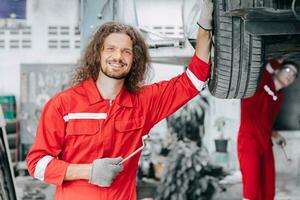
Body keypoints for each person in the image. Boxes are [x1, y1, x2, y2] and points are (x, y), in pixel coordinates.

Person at [26, 1, 213, 199]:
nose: (118, 56)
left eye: (127, 51)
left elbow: (194, 79)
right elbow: (36, 164)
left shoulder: (144, 103)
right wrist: (88, 171)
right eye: (111, 49)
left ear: (134, 60)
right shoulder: (63, 105)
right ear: (98, 54)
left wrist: (204, 27)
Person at [238, 57, 299, 200]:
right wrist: (282, 56)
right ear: (278, 70)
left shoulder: (280, 97)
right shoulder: (262, 82)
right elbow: (267, 68)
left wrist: (275, 134)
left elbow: (266, 122)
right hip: (249, 142)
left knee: (268, 192)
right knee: (251, 192)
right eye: (288, 70)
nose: (291, 76)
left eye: (294, 75)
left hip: (265, 145)